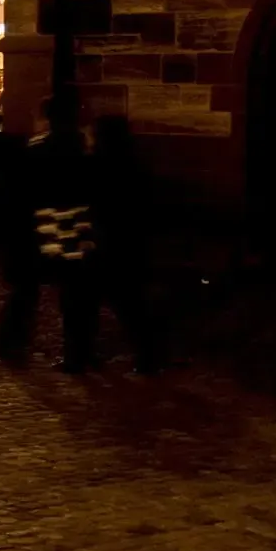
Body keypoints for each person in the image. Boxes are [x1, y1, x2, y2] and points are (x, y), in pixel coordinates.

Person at [0, 95, 100, 372]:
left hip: (42, 227)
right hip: (77, 227)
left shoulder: (37, 150)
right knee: (74, 293)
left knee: (27, 287)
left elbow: (15, 193)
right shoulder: (85, 149)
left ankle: (11, 340)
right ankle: (78, 354)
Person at [90, 114, 165, 374]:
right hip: (130, 241)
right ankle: (148, 356)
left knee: (117, 302)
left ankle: (88, 354)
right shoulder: (134, 163)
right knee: (131, 303)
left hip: (108, 240)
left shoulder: (99, 163)